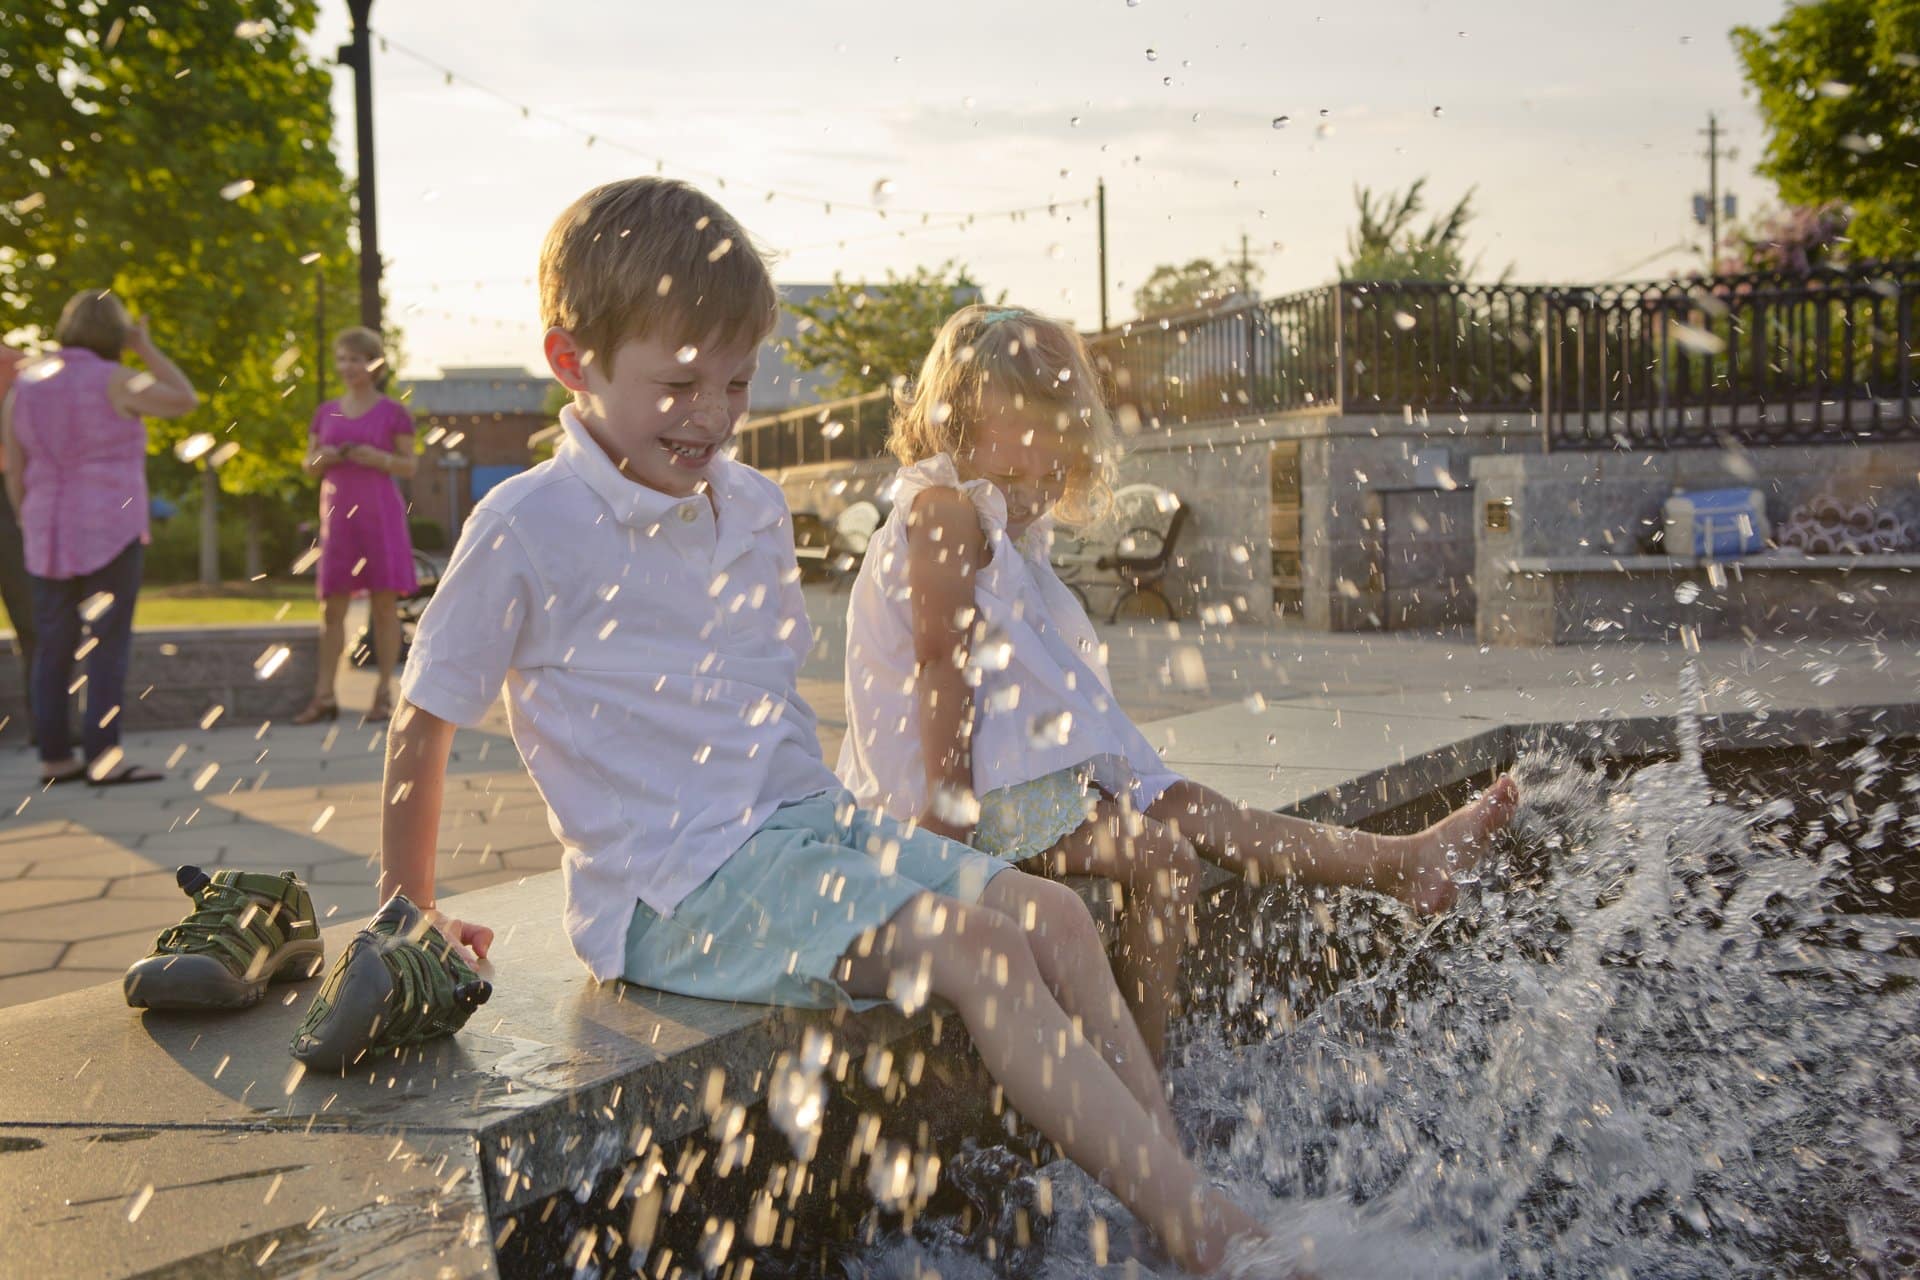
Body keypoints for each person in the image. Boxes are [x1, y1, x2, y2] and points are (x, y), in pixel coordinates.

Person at [379, 179, 1263, 1272]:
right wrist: (410, 914)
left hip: (810, 832)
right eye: (679, 384)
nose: (711, 413)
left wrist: (885, 820)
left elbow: (771, 706)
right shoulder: (524, 526)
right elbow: (422, 720)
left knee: (1062, 923)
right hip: (677, 885)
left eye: (737, 382)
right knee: (984, 952)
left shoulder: (747, 506)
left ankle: (1165, 1169)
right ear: (575, 364)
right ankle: (1195, 1227)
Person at [836, 304, 1521, 1062]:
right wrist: (946, 831)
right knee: (1166, 857)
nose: (1030, 495)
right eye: (1011, 474)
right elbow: (939, 668)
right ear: (952, 434)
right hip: (965, 798)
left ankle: (1401, 864)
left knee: (1192, 807)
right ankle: (1143, 1077)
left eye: (1049, 473)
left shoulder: (990, 508)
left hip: (1013, 778)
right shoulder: (942, 512)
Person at [1, 290, 198, 785]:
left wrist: (30, 519)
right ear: (116, 333)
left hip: (46, 527)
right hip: (110, 526)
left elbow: (15, 466)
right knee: (107, 645)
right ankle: (104, 758)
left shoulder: (26, 383)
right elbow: (184, 400)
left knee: (52, 646)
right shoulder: (117, 379)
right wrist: (146, 347)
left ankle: (54, 758)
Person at [292, 327, 418, 725]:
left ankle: (383, 693)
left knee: (384, 606)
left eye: (357, 359)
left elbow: (410, 464)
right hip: (337, 518)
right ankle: (324, 695)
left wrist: (375, 458)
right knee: (332, 606)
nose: (349, 367)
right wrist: (323, 457)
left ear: (375, 364)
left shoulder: (393, 413)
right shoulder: (325, 412)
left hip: (380, 516)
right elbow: (306, 467)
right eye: (343, 358)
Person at [0, 345, 36, 728]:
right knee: (34, 628)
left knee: (34, 627)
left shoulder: (22, 395)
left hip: (14, 508)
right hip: (13, 508)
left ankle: (47, 726)